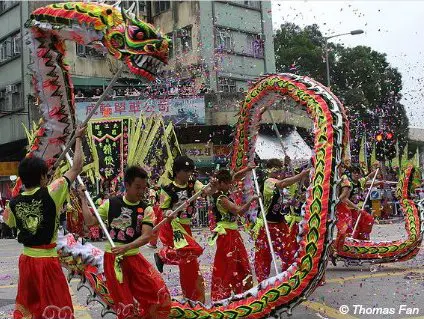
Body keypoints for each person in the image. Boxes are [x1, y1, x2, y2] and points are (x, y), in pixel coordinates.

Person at [3, 126, 86, 319]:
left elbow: (10, 223)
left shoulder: (12, 204)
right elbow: (77, 167)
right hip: (47, 261)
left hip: (27, 261)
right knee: (57, 305)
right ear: (42, 176)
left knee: (30, 307)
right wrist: (79, 139)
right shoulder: (51, 192)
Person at [81, 166, 171, 319]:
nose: (142, 191)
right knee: (125, 306)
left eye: (144, 188)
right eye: (137, 187)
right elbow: (90, 222)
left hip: (135, 259)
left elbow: (146, 236)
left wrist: (126, 247)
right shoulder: (110, 204)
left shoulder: (146, 209)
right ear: (127, 185)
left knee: (160, 294)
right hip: (113, 261)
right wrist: (83, 198)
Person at [154, 156, 216, 303]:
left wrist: (213, 186)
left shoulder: (193, 184)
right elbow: (163, 211)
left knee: (188, 262)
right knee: (188, 259)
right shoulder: (168, 189)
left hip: (185, 227)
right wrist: (168, 213)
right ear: (177, 171)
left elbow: (207, 192)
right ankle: (163, 256)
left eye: (190, 171)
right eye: (185, 171)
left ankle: (193, 297)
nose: (189, 174)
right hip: (173, 227)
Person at [253, 158, 310, 282]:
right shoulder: (268, 181)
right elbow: (282, 183)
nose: (279, 173)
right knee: (264, 256)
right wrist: (301, 175)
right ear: (269, 170)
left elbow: (287, 196)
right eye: (276, 170)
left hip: (281, 223)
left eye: (279, 170)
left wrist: (294, 200)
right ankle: (262, 282)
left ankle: (288, 278)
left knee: (289, 252)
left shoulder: (279, 183)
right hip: (268, 225)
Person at [209, 169, 257, 301]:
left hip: (233, 233)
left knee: (240, 263)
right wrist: (251, 200)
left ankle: (242, 292)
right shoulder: (221, 197)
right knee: (227, 265)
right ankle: (221, 296)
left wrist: (248, 168)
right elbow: (239, 211)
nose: (231, 185)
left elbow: (235, 176)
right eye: (228, 183)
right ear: (221, 183)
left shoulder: (223, 192)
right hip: (226, 235)